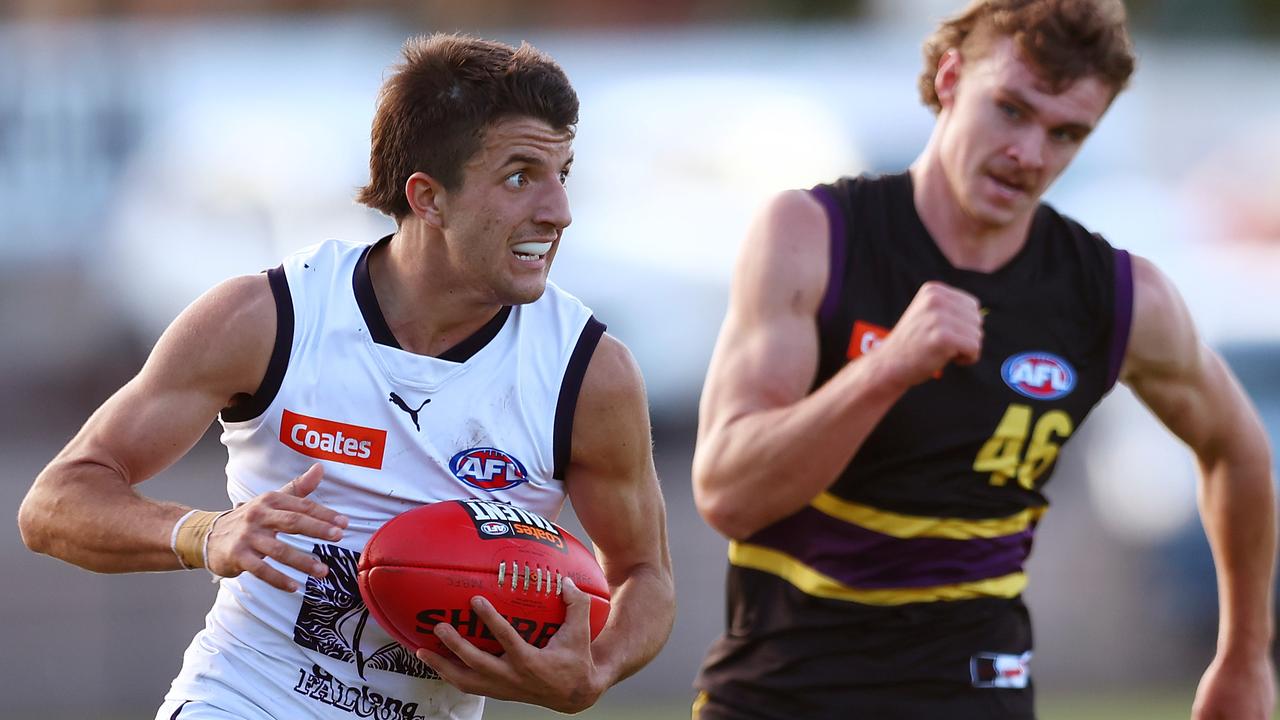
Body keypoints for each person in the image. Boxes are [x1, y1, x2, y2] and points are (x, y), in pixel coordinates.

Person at [18, 33, 675, 720]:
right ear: (428, 197)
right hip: (242, 703)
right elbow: (56, 502)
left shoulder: (589, 372)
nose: (558, 211)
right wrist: (206, 534)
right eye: (520, 176)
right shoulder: (269, 319)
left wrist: (594, 669)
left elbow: (644, 576)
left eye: (562, 174)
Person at [690, 1, 1276, 718]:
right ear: (949, 78)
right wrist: (887, 368)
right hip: (781, 693)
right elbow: (728, 494)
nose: (1030, 154)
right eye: (1011, 110)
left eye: (1066, 134)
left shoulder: (1116, 297)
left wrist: (1244, 655)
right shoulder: (812, 235)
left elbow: (1239, 450)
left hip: (975, 692)